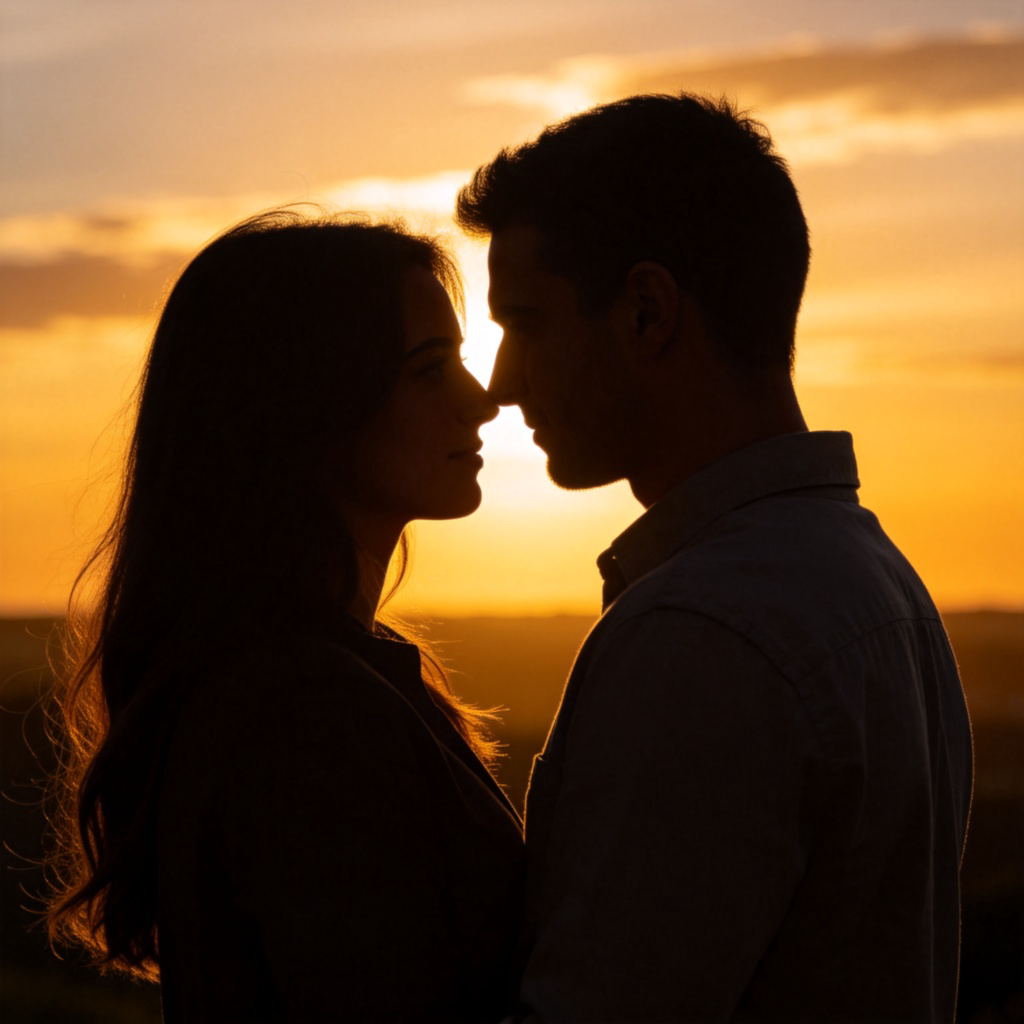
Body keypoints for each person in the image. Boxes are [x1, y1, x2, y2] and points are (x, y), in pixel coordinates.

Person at [456, 93, 973, 1021]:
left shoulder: (704, 633)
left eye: (525, 323)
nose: (500, 383)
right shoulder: (873, 577)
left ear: (647, 311)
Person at [45, 208, 524, 1022]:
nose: (480, 403)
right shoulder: (307, 710)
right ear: (307, 407)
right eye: (428, 370)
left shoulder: (315, 677)